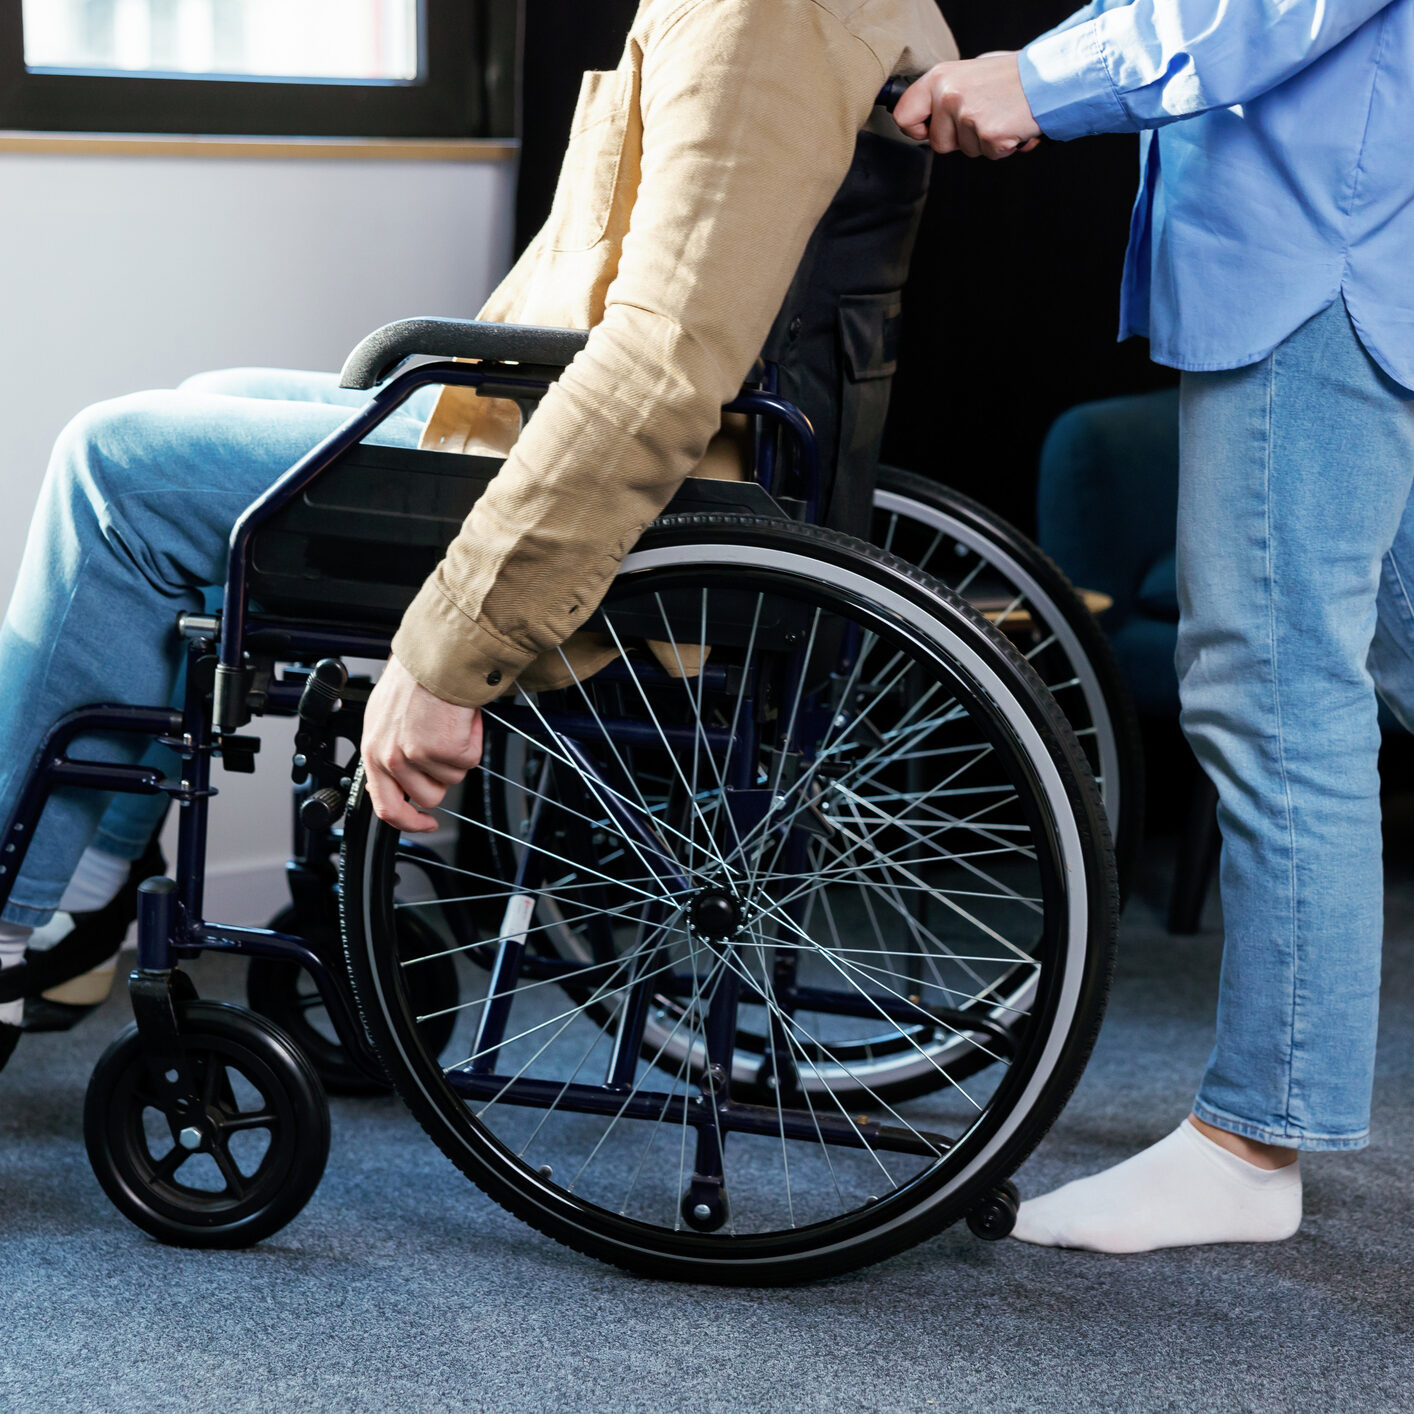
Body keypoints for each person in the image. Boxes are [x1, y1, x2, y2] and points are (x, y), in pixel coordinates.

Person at [0, 0, 957, 1073]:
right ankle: (86, 896)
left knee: (114, 469)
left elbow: (661, 368)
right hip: (558, 429)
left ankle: (21, 910)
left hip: (622, 493)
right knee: (202, 404)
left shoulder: (760, 20)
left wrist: (450, 650)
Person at [894, 0, 1414, 1253]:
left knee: (1274, 691)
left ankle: (1249, 1148)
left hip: (1320, 264)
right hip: (1355, 246)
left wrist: (1044, 78)